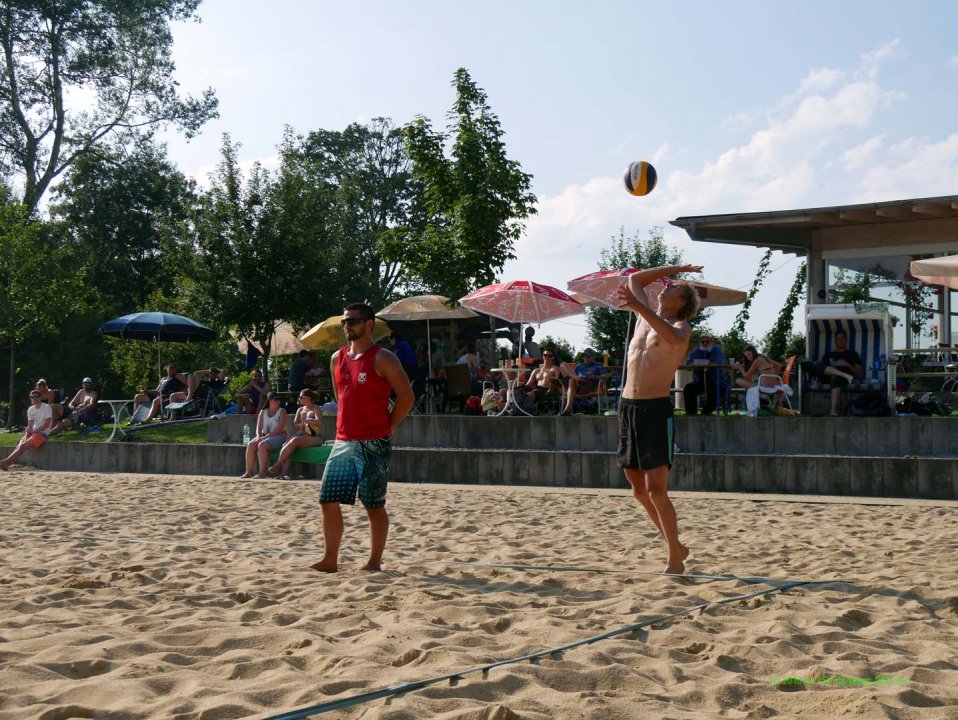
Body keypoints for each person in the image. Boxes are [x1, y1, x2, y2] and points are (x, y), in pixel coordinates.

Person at [311, 302, 414, 573]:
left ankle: (373, 562)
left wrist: (391, 424)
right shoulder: (337, 358)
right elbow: (340, 397)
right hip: (344, 439)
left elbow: (406, 397)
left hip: (374, 441)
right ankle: (330, 559)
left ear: (369, 324)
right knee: (328, 501)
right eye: (344, 321)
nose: (347, 326)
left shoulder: (383, 357)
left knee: (373, 504)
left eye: (353, 321)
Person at [614, 264, 703, 575]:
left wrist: (639, 305)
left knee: (656, 488)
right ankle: (676, 545)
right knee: (637, 487)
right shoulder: (642, 318)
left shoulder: (681, 328)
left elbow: (672, 337)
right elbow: (635, 279)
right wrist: (676, 267)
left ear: (682, 302)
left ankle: (674, 559)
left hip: (654, 409)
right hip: (628, 407)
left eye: (673, 286)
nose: (665, 286)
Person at [267, 388, 323, 479]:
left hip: (314, 436)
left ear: (308, 398)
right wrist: (301, 425)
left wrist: (307, 421)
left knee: (295, 440)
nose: (299, 399)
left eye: (301, 397)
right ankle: (283, 473)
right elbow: (295, 425)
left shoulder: (315, 408)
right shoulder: (300, 410)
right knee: (286, 444)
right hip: (302, 435)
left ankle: (278, 464)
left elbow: (319, 422)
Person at [813, 329, 863, 416]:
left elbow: (859, 374)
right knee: (816, 364)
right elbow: (821, 369)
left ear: (846, 340)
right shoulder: (828, 355)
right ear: (835, 341)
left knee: (835, 377)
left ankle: (833, 410)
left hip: (842, 380)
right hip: (827, 377)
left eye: (842, 339)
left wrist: (847, 364)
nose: (840, 341)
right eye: (838, 339)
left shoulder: (853, 354)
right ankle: (842, 374)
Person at [0, 389, 53, 470]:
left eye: (36, 396)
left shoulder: (47, 407)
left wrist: (34, 431)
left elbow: (47, 424)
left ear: (41, 397)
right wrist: (28, 433)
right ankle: (6, 464)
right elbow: (30, 425)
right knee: (20, 445)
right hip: (33, 433)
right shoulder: (31, 409)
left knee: (22, 446)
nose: (34, 398)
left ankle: (6, 462)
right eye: (32, 397)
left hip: (42, 434)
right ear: (30, 398)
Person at [241, 391, 289, 479]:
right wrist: (259, 437)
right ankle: (248, 472)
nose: (278, 401)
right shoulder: (263, 412)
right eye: (276, 399)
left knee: (262, 445)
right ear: (269, 400)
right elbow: (258, 428)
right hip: (265, 436)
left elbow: (280, 429)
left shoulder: (282, 411)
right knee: (251, 444)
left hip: (280, 436)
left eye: (279, 399)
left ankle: (262, 472)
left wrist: (264, 438)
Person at [682, 334, 729, 416]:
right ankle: (691, 414)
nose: (705, 343)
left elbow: (720, 364)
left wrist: (706, 363)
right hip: (699, 380)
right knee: (689, 388)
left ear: (712, 342)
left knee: (715, 392)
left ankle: (705, 413)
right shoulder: (695, 351)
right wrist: (693, 363)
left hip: (715, 380)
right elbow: (688, 366)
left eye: (707, 341)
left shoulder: (718, 351)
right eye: (702, 341)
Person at [561, 348, 609, 415]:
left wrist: (594, 376)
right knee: (563, 364)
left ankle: (567, 408)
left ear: (594, 357)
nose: (585, 357)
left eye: (588, 356)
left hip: (588, 384)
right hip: (576, 385)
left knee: (572, 380)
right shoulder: (579, 366)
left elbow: (606, 377)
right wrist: (576, 378)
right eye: (584, 355)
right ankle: (568, 408)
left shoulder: (599, 365)